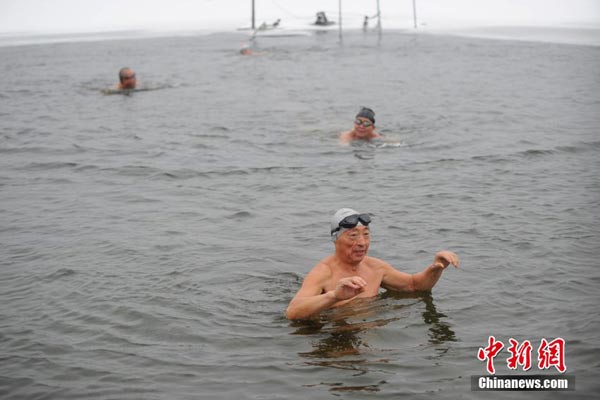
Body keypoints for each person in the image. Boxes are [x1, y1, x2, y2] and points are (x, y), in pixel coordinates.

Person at [285, 208, 459, 320]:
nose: (362, 242)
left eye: (366, 234)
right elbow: (293, 311)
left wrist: (435, 268)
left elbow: (415, 286)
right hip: (335, 330)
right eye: (353, 235)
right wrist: (333, 296)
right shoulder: (323, 272)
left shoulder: (376, 267)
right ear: (335, 240)